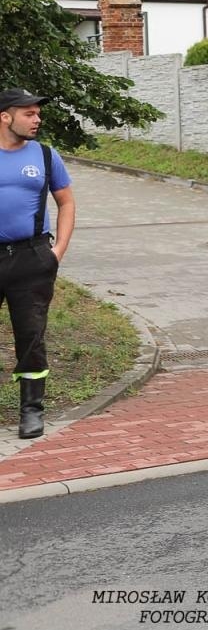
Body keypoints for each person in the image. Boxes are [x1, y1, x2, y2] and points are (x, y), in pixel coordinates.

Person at [0, 89, 75, 438]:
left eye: (37, 113)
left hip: (32, 257)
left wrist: (57, 251)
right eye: (29, 114)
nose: (37, 119)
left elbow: (66, 202)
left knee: (31, 336)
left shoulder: (45, 156)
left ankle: (31, 411)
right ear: (5, 117)